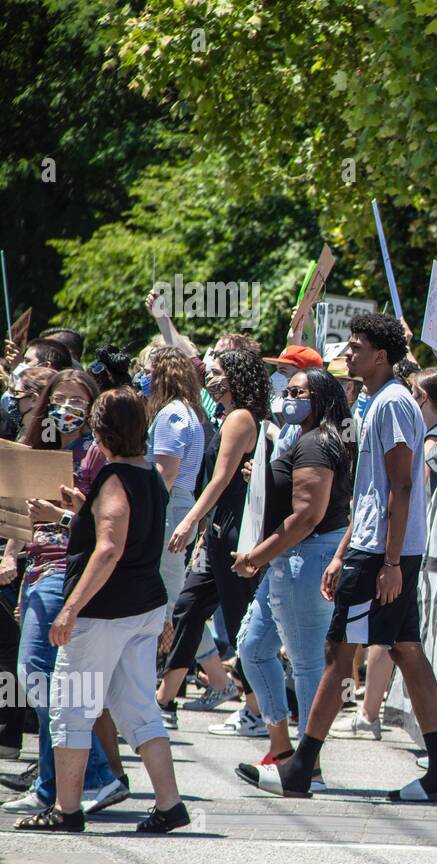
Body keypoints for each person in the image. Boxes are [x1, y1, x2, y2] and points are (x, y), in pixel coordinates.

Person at [238, 311, 437, 802]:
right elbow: (370, 492)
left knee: (339, 654)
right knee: (404, 648)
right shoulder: (376, 401)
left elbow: (402, 484)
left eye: (356, 346)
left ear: (381, 355)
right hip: (370, 546)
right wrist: (343, 552)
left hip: (383, 552)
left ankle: (301, 768)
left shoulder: (394, 403)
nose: (348, 352)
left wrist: (391, 562)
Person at [14, 388, 189, 833]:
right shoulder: (147, 472)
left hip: (104, 614)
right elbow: (118, 531)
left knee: (71, 707)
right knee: (137, 708)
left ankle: (67, 810)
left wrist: (69, 609)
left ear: (102, 432)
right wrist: (73, 512)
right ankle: (170, 805)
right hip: (142, 607)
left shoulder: (113, 477)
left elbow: (109, 549)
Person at [0, 369, 127, 817]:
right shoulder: (39, 450)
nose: (66, 408)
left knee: (36, 671)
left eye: (78, 400)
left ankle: (95, 775)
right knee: (49, 678)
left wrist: (64, 509)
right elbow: (22, 514)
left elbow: (97, 522)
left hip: (66, 570)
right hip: (39, 569)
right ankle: (52, 785)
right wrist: (12, 556)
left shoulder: (95, 454)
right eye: (59, 399)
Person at [231, 369, 354, 775]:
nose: (288, 398)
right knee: (251, 646)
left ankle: (306, 764)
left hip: (306, 556)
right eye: (287, 391)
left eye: (297, 392)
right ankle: (283, 750)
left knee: (305, 663)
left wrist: (256, 557)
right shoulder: (304, 438)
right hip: (292, 558)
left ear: (318, 397)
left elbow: (306, 517)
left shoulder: (317, 443)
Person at [156, 348, 269, 723]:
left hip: (234, 532)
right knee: (188, 607)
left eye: (219, 371)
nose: (209, 376)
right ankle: (163, 700)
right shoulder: (228, 416)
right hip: (217, 530)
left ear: (236, 376)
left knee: (239, 622)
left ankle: (256, 709)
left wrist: (189, 522)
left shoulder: (240, 418)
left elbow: (220, 479)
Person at [142, 346, 208, 648]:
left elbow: (165, 472)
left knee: (166, 595)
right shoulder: (188, 412)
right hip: (180, 504)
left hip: (169, 506)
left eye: (148, 373)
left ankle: (160, 663)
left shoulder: (171, 415)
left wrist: (144, 510)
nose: (144, 379)